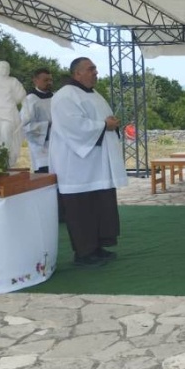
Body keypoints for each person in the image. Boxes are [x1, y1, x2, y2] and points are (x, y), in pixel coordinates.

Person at [50, 58, 127, 266]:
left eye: (95, 69)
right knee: (82, 209)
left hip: (96, 164)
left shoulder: (92, 94)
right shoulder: (65, 96)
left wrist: (110, 123)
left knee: (99, 206)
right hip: (77, 166)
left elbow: (102, 121)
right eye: (91, 69)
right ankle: (84, 253)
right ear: (77, 73)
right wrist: (104, 125)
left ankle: (97, 246)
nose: (96, 72)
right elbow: (73, 126)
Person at [20, 68, 54, 173]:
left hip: (57, 144)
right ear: (35, 80)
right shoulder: (31, 99)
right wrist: (47, 125)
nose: (49, 83)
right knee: (44, 176)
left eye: (50, 80)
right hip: (41, 147)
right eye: (46, 80)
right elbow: (25, 126)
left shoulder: (55, 97)